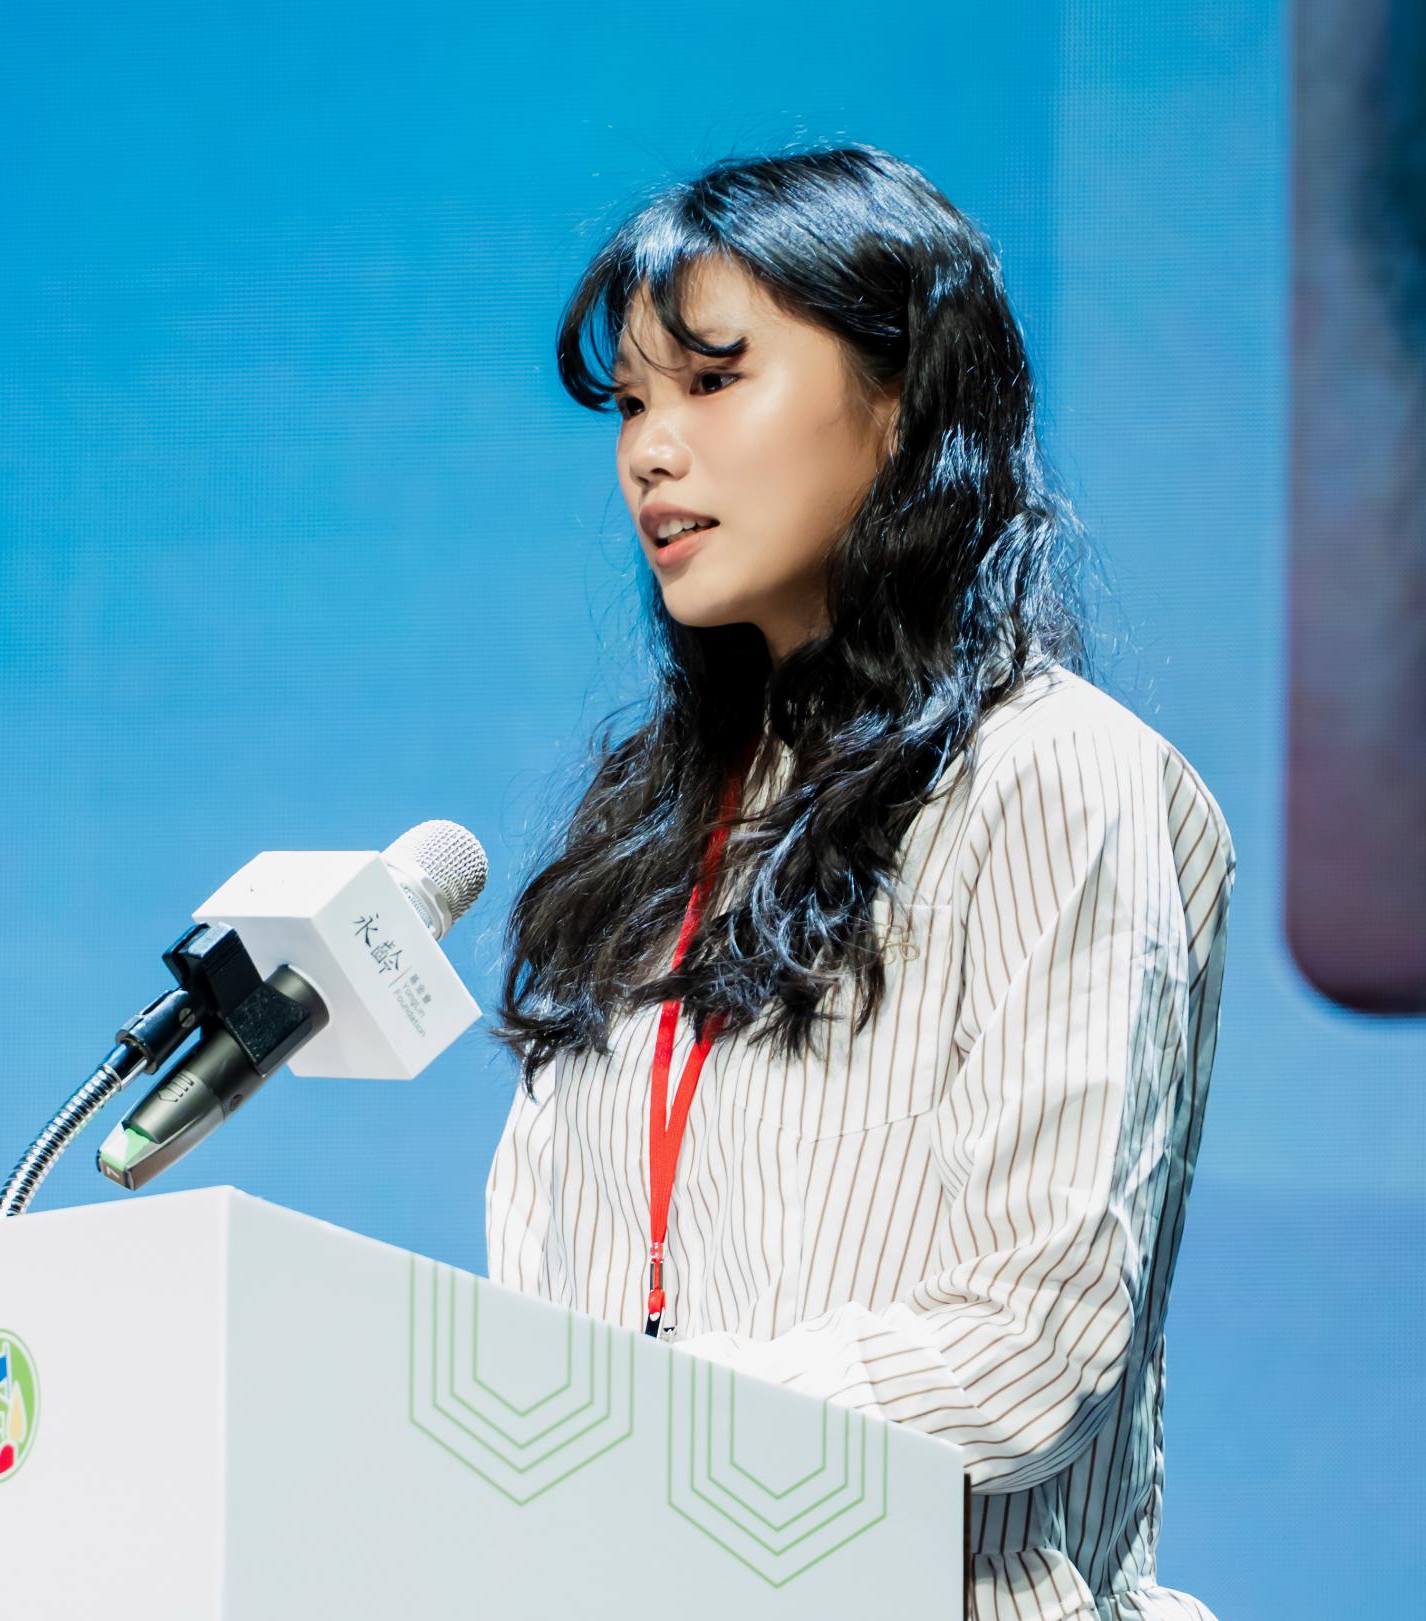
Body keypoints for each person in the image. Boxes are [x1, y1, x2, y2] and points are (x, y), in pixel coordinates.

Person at [485, 144, 1236, 1621]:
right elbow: (538, 1325)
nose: (648, 452)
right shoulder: (639, 843)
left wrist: (628, 1424)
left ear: (900, 403)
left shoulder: (1051, 775)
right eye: (629, 405)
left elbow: (1032, 1340)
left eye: (713, 380)